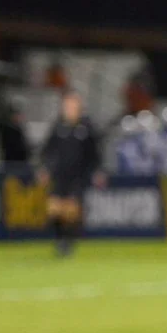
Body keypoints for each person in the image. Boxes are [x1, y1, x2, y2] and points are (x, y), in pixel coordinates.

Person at [36, 90, 103, 257]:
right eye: (67, 105)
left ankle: (68, 243)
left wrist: (97, 171)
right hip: (59, 176)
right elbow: (47, 150)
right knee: (54, 210)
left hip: (78, 176)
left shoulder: (86, 128)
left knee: (71, 211)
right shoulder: (58, 127)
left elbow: (94, 153)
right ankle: (61, 239)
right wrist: (44, 169)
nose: (69, 108)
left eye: (73, 105)